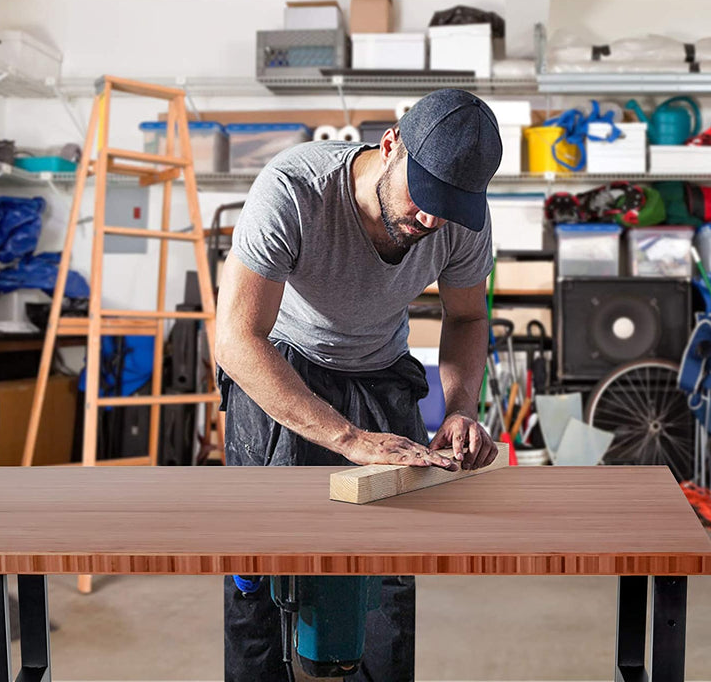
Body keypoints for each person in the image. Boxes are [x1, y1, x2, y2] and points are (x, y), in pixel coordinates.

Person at [215, 88, 503, 681]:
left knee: (389, 568)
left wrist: (458, 409)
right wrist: (348, 438)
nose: (431, 220)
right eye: (423, 198)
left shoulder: (459, 218)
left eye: (450, 208)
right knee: (260, 563)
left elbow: (469, 318)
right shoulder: (294, 189)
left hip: (379, 366)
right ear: (390, 145)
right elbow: (237, 340)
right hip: (281, 363)